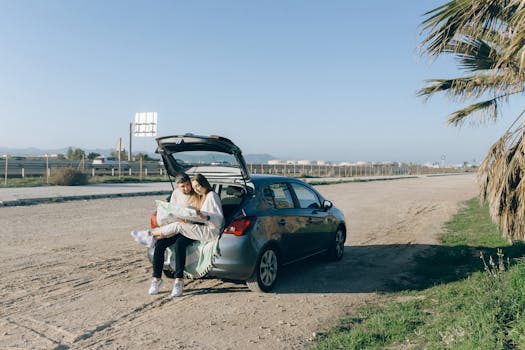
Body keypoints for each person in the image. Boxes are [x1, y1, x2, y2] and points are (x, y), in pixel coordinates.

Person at [149, 173, 224, 297]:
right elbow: (172, 211)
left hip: (195, 227)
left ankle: (179, 281)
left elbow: (210, 217)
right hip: (182, 225)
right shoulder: (177, 194)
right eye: (183, 186)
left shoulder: (202, 195)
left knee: (180, 244)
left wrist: (195, 218)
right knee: (160, 244)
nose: (189, 189)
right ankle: (156, 279)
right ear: (178, 187)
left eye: (190, 185)